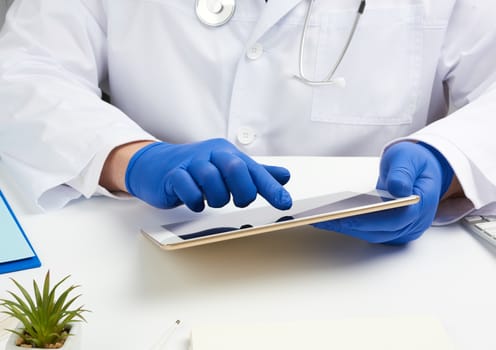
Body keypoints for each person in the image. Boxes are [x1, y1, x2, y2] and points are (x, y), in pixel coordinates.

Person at [0, 0, 495, 245]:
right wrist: (126, 157)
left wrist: (449, 159)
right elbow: (24, 74)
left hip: (376, 262)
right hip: (144, 240)